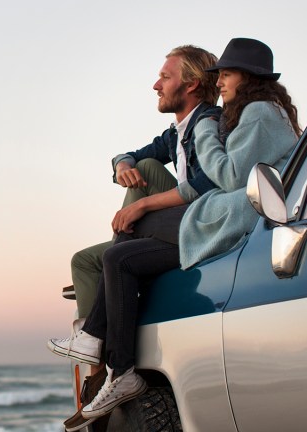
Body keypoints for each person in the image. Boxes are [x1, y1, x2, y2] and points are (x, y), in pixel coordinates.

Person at [50, 38, 301, 427]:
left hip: (230, 219)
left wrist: (144, 203)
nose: (221, 82)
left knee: (122, 245)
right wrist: (121, 164)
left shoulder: (226, 119)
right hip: (219, 213)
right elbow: (134, 153)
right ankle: (100, 352)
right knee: (101, 253)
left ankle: (102, 351)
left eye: (227, 74)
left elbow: (219, 180)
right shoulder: (207, 125)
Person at [70, 45, 221, 319]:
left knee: (148, 168)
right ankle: (90, 344)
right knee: (83, 261)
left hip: (198, 224)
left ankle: (120, 257)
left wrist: (141, 206)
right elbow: (129, 156)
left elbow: (206, 184)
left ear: (191, 84)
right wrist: (122, 165)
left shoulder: (210, 123)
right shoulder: (176, 134)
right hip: (175, 220)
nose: (155, 85)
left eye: (165, 77)